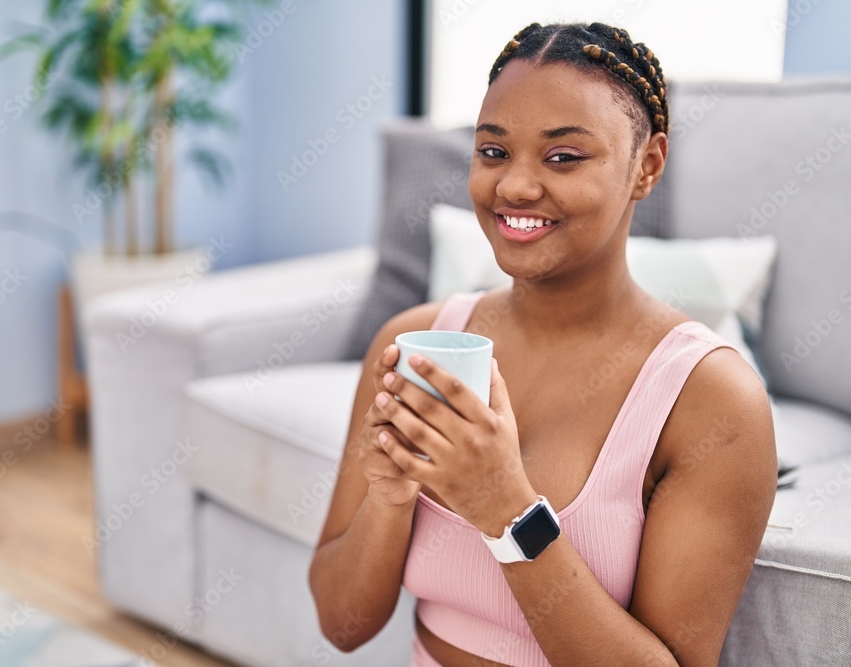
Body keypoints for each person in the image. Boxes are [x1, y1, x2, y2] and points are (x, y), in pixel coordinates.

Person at [308, 20, 776, 667]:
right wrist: (389, 499)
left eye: (563, 157)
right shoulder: (416, 346)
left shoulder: (713, 399)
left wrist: (506, 508)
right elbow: (342, 624)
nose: (515, 187)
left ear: (648, 165)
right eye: (493, 152)